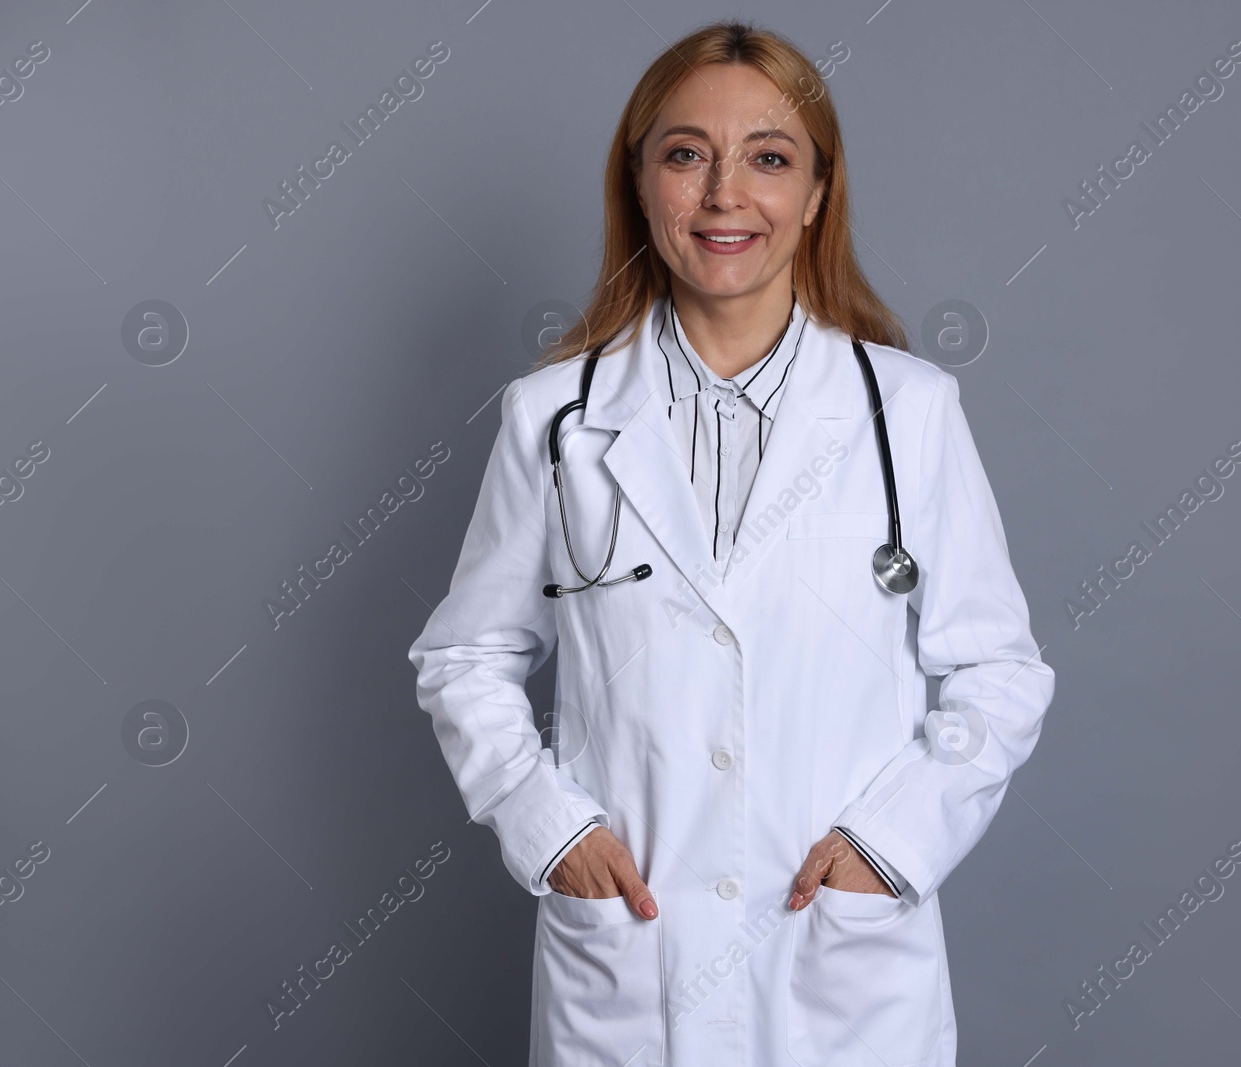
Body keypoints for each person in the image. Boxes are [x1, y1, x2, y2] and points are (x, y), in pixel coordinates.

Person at [407, 19, 1055, 1067]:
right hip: (635, 957)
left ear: (815, 191)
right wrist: (547, 824)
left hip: (835, 962)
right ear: (640, 180)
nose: (723, 195)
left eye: (768, 157)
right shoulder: (554, 418)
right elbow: (465, 654)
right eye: (684, 154)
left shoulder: (910, 412)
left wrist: (888, 850)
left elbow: (999, 673)